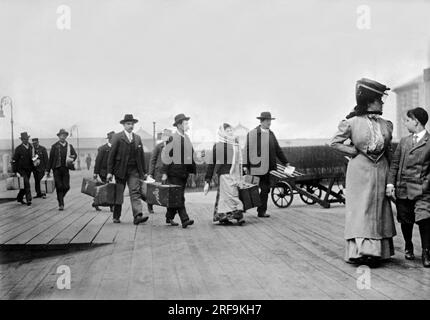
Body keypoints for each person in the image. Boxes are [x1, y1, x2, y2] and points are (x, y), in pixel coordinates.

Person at [331, 78, 396, 266]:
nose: (382, 103)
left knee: (380, 209)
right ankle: (361, 253)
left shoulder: (386, 124)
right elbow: (334, 142)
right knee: (361, 210)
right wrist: (353, 152)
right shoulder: (351, 123)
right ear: (369, 101)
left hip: (381, 170)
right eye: (379, 99)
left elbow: (389, 150)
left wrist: (392, 177)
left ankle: (378, 253)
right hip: (359, 171)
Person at [386, 107, 430, 267]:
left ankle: (426, 251)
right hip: (403, 188)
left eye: (407, 120)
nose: (405, 124)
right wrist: (390, 184)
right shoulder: (404, 141)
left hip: (422, 191)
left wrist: (425, 185)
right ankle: (408, 245)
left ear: (416, 121)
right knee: (405, 220)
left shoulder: (429, 142)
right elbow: (395, 164)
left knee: (425, 219)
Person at [245, 111, 289, 218]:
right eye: (268, 121)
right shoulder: (253, 133)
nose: (270, 123)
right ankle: (243, 208)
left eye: (270, 120)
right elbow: (247, 149)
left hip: (267, 168)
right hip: (255, 167)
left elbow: (278, 149)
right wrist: (245, 165)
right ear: (262, 121)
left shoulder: (271, 134)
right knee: (250, 189)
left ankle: (261, 211)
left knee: (265, 189)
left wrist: (285, 162)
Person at [107, 114, 148, 225]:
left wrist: (144, 172)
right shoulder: (117, 137)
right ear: (124, 125)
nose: (131, 126)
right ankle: (116, 216)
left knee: (135, 192)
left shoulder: (137, 138)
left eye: (132, 124)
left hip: (134, 170)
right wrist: (109, 172)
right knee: (119, 193)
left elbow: (141, 156)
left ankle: (137, 215)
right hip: (120, 170)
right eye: (128, 124)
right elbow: (111, 155)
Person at [204, 123, 245, 225]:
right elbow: (212, 163)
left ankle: (226, 216)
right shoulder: (218, 146)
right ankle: (234, 216)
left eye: (231, 130)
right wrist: (207, 180)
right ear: (222, 133)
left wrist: (242, 172)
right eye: (227, 131)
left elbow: (239, 161)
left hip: (235, 176)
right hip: (224, 175)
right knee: (229, 196)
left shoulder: (235, 144)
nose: (230, 132)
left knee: (230, 195)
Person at [160, 113, 195, 228]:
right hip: (174, 172)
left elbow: (191, 154)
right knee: (179, 197)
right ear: (179, 125)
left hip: (183, 173)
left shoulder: (187, 138)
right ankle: (185, 219)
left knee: (176, 196)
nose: (187, 125)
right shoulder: (172, 138)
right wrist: (164, 173)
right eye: (185, 123)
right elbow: (166, 156)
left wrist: (193, 169)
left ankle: (169, 216)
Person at [47, 129, 77, 211]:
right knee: (59, 186)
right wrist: (47, 170)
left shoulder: (69, 146)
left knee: (67, 186)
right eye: (61, 135)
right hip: (56, 169)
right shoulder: (54, 146)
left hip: (65, 169)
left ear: (66, 136)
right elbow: (51, 159)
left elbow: (75, 155)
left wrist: (71, 159)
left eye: (64, 135)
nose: (63, 137)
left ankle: (60, 198)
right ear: (59, 136)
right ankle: (61, 203)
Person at [147, 128, 172, 214]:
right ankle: (150, 205)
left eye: (168, 136)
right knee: (155, 189)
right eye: (165, 135)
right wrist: (150, 173)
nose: (166, 137)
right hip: (158, 171)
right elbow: (152, 160)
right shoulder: (158, 146)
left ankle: (168, 208)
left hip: (168, 171)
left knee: (167, 190)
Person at [93, 131, 115, 211]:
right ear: (109, 139)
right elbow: (98, 161)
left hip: (113, 172)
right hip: (103, 172)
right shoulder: (103, 149)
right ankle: (111, 206)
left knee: (108, 188)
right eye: (113, 139)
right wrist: (95, 173)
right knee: (108, 188)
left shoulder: (116, 148)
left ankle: (96, 202)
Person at [12, 132, 34, 206]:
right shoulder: (18, 149)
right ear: (21, 140)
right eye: (24, 139)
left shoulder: (31, 147)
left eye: (27, 139)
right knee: (27, 183)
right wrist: (14, 171)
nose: (26, 140)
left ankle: (19, 197)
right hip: (21, 170)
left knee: (24, 184)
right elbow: (14, 160)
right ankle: (29, 199)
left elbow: (34, 156)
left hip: (29, 169)